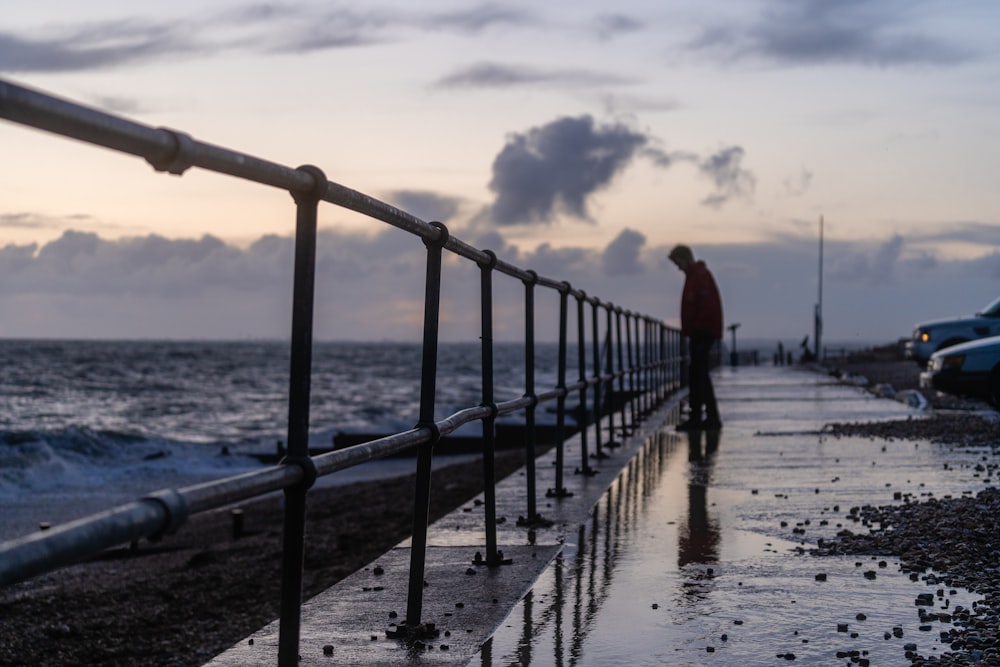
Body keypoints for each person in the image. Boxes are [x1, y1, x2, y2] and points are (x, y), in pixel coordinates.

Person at [668, 244, 723, 431]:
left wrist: (696, 329)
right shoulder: (696, 275)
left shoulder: (699, 276)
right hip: (701, 331)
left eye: (678, 263)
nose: (678, 268)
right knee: (699, 375)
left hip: (702, 331)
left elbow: (706, 306)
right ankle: (704, 417)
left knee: (698, 375)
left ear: (686, 258)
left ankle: (704, 418)